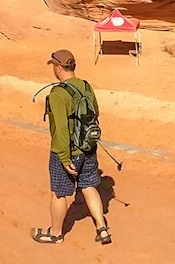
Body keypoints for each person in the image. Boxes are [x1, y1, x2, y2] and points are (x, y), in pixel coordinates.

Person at [31, 49, 111, 245]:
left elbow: (61, 130)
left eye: (54, 66)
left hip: (67, 152)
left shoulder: (58, 93)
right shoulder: (85, 86)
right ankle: (102, 228)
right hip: (88, 147)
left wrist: (65, 158)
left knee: (59, 192)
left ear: (58, 68)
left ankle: (55, 234)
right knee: (89, 185)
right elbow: (96, 113)